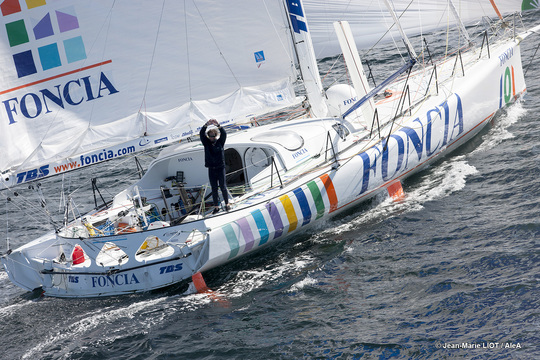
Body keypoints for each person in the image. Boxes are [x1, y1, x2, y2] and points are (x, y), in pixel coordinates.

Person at [200, 119, 230, 214]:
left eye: (213, 136)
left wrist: (218, 125)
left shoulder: (220, 142)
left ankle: (227, 204)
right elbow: (201, 134)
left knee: (223, 186)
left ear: (216, 135)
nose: (212, 137)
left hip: (220, 168)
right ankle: (216, 207)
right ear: (208, 136)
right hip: (211, 169)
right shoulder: (206, 143)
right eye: (210, 136)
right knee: (214, 188)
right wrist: (206, 125)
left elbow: (224, 134)